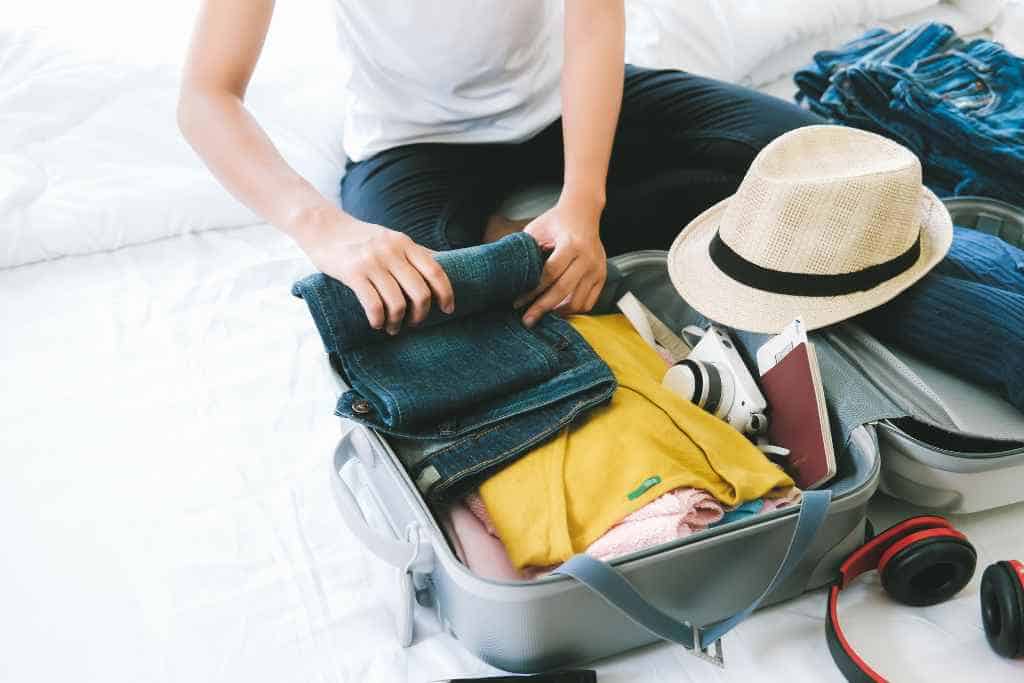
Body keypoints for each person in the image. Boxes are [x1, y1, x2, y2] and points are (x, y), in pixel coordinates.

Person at [178, 1, 820, 336]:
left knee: (807, 157)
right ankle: (507, 241)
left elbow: (594, 24)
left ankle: (519, 243)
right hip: (413, 143)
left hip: (562, 101)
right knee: (409, 305)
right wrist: (324, 229)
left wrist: (582, 202)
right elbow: (206, 96)